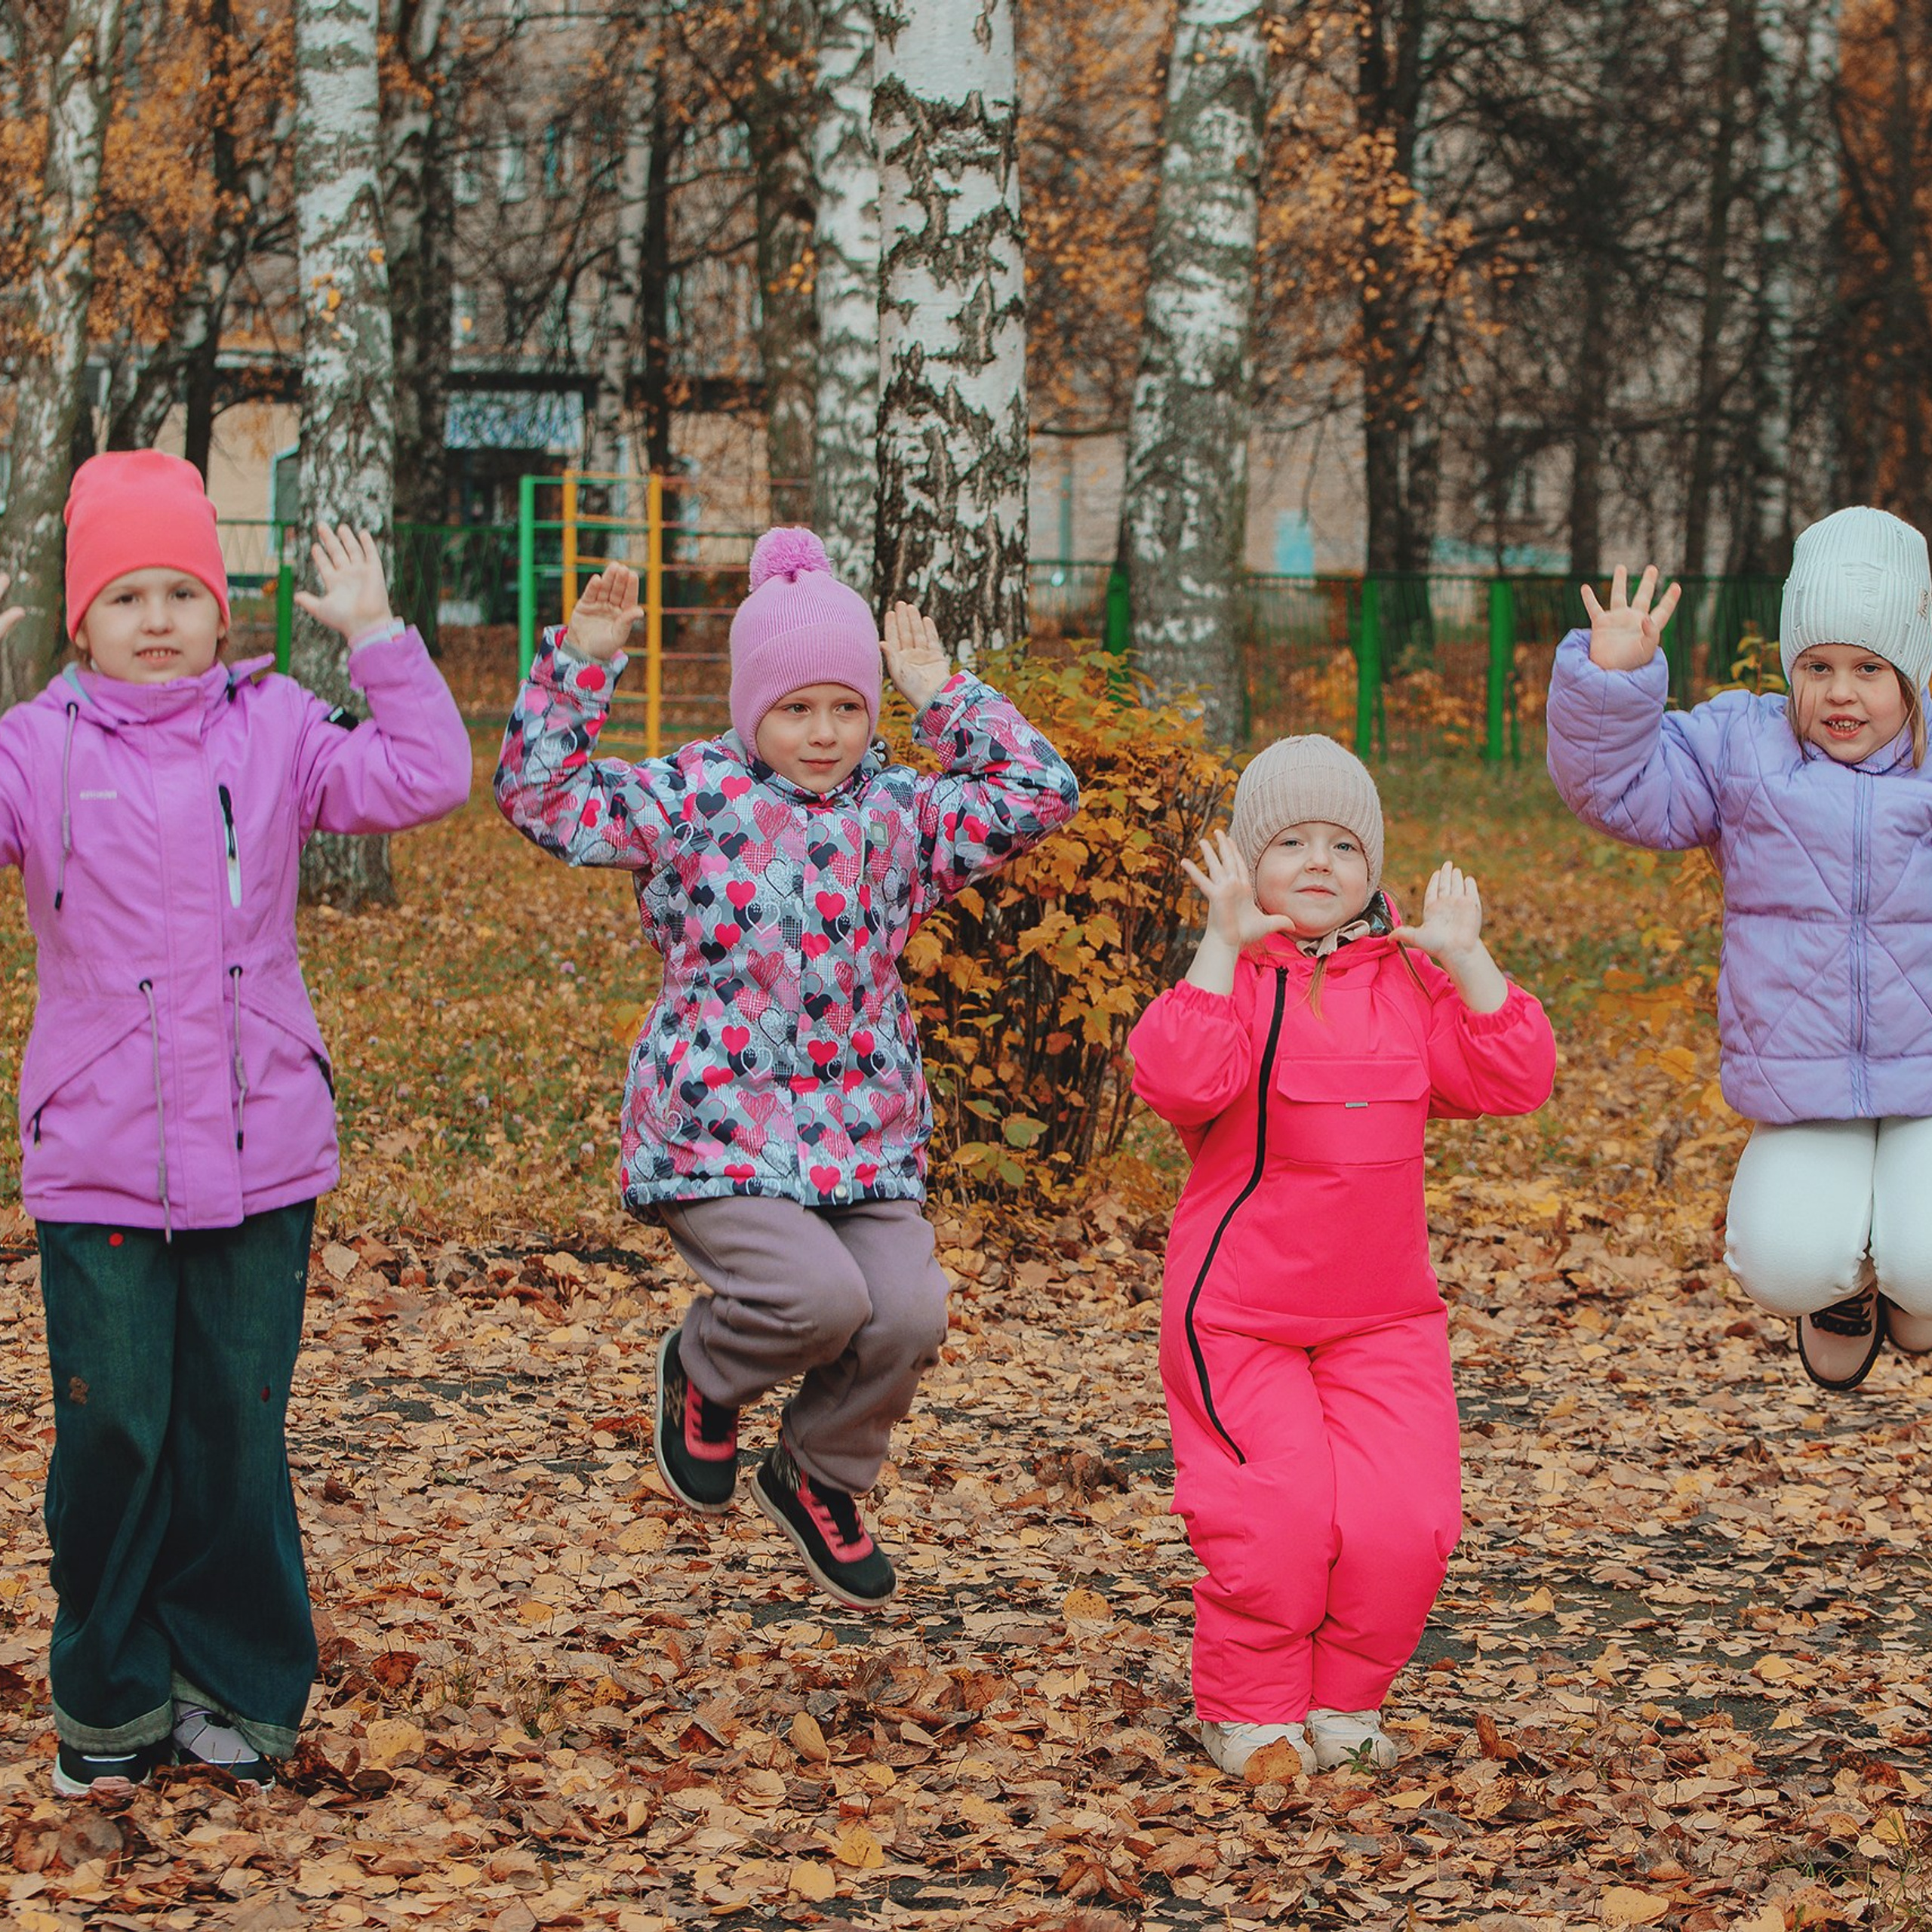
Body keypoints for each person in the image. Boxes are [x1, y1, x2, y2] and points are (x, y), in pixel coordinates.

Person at [0, 451, 471, 1796]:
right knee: (116, 1427)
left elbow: (429, 777)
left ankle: (239, 1690)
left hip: (264, 1146)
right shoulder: (37, 748)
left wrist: (378, 638)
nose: (157, 619)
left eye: (182, 592)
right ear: (80, 618)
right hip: (96, 1156)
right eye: (126, 594)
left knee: (232, 1424)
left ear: (221, 609)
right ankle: (108, 1700)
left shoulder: (273, 732)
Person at [494, 527, 1079, 1608]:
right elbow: (544, 800)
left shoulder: (902, 814)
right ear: (750, 708)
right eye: (796, 708)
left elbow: (1041, 789)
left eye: (847, 707)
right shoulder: (691, 801)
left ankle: (816, 1470)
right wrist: (578, 667)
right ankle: (706, 1373)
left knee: (904, 1314)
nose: (823, 734)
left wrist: (942, 692)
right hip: (716, 1127)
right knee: (813, 1300)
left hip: (864, 1135)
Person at [1128, 736, 1554, 1777]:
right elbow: (1178, 1079)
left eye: (1343, 847)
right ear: (1246, 860)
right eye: (1290, 842)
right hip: (1236, 1318)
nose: (1319, 863)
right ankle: (1252, 1710)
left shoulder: (1406, 982)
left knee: (1405, 1527)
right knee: (1277, 1523)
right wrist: (1221, 948)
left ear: (1373, 872)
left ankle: (1344, 1707)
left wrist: (1465, 959)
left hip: (1383, 1319)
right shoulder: (1238, 981)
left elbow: (1513, 1077)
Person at [1546, 512, 1932, 1392]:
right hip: (1803, 1088)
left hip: (1929, 1083)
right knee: (1783, 1259)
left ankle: (1917, 1290)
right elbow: (1620, 791)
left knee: (1931, 1253)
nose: (1841, 693)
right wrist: (1614, 683)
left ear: (1910, 673)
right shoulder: (1741, 747)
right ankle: (1840, 1292)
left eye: (1870, 669)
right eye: (1818, 667)